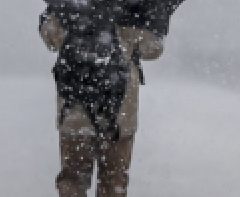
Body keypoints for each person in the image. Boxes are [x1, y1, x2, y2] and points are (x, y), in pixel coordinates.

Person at [40, 10, 163, 197]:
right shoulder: (133, 2)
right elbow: (153, 49)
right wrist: (155, 24)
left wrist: (48, 16)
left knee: (73, 177)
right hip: (119, 112)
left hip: (75, 109)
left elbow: (51, 39)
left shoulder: (69, 0)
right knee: (113, 180)